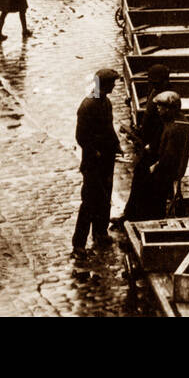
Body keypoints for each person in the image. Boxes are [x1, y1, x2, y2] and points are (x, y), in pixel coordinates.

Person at [116, 64, 175, 224]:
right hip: (149, 143)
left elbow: (166, 127)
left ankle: (145, 217)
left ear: (165, 80)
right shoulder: (156, 92)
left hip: (157, 147)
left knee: (152, 182)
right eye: (152, 82)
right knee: (141, 179)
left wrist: (153, 145)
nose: (154, 85)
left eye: (157, 82)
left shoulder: (169, 98)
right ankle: (133, 214)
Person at [72, 68, 122, 255]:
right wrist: (95, 152)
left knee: (105, 198)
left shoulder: (105, 102)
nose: (114, 86)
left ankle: (100, 233)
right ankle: (78, 244)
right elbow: (81, 137)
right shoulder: (88, 105)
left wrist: (116, 145)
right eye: (111, 83)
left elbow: (109, 127)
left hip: (107, 160)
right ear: (103, 84)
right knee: (90, 202)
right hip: (93, 163)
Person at [146, 91, 189, 218]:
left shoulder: (175, 128)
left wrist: (155, 166)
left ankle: (153, 216)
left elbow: (169, 158)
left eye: (160, 106)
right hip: (174, 164)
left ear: (169, 109)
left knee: (143, 178)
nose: (157, 109)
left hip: (171, 170)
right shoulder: (178, 119)